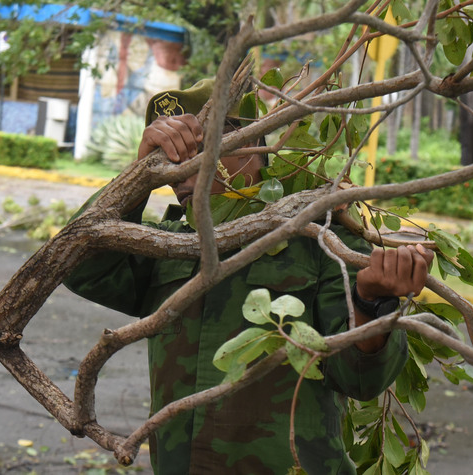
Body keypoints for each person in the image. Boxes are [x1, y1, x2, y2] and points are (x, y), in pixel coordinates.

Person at [64, 79, 433, 474]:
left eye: (194, 153)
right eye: (163, 161)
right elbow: (76, 265)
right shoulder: (166, 244)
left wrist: (370, 300)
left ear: (250, 142)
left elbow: (359, 380)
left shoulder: (323, 237)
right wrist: (133, 182)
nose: (176, 176)